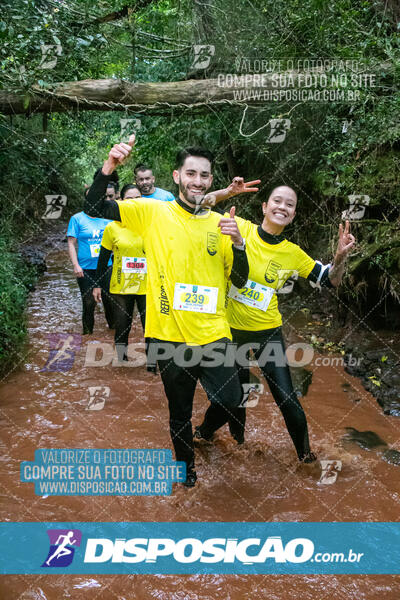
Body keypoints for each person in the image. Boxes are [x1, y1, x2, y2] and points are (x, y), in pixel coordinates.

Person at [84, 134, 259, 487]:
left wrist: (238, 244)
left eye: (204, 175)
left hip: (213, 335)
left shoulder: (222, 223)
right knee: (178, 412)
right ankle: (187, 475)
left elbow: (240, 280)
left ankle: (206, 431)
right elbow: (94, 207)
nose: (198, 181)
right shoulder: (152, 212)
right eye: (191, 173)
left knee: (232, 398)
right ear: (177, 176)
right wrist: (110, 167)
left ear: (211, 180)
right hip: (167, 336)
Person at [195, 184, 356, 462]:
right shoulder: (239, 226)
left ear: (292, 215)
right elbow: (198, 207)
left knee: (287, 399)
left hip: (267, 333)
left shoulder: (292, 253)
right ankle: (210, 437)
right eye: (277, 201)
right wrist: (228, 193)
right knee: (233, 399)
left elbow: (331, 280)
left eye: (289, 205)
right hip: (228, 332)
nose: (282, 207)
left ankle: (306, 459)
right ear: (264, 208)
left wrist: (340, 257)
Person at [92, 182, 153, 370]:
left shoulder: (153, 224)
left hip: (148, 285)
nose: (134, 203)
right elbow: (103, 259)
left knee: (150, 328)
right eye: (129, 199)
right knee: (122, 325)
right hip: (121, 285)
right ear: (120, 201)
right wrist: (97, 285)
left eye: (138, 199)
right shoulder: (112, 228)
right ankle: (122, 364)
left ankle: (152, 367)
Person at [67, 194, 114, 335]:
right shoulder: (77, 219)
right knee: (88, 302)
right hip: (85, 268)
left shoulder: (107, 218)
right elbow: (71, 243)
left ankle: (113, 331)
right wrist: (75, 265)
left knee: (109, 300)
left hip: (107, 267)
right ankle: (87, 335)